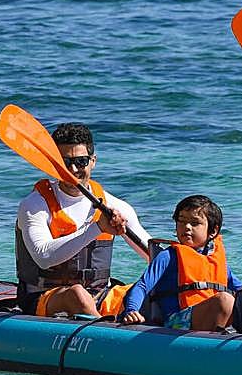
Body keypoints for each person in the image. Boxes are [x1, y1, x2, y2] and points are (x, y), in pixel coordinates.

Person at [15, 122, 150, 318]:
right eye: (64, 162)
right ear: (54, 165)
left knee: (152, 291)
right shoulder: (34, 204)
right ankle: (105, 331)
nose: (72, 169)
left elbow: (153, 256)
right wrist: (98, 227)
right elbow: (44, 257)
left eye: (81, 162)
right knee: (77, 294)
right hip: (45, 297)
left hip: (100, 295)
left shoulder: (115, 206)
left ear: (93, 161)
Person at [116, 195, 242, 331]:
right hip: (176, 323)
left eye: (194, 223)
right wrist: (132, 310)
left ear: (213, 231)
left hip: (211, 321)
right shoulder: (168, 256)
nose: (187, 227)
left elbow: (241, 291)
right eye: (181, 221)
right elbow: (142, 286)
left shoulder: (217, 262)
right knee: (224, 300)